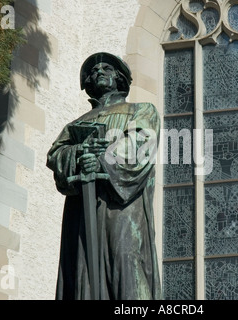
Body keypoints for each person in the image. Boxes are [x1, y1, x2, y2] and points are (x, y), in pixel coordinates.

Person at [46, 52, 162, 300]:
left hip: (121, 202)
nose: (98, 72)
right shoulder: (75, 124)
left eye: (106, 68)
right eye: (94, 70)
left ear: (119, 77)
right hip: (83, 208)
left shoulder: (140, 110)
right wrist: (79, 155)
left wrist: (101, 159)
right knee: (81, 268)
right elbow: (56, 154)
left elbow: (141, 143)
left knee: (124, 258)